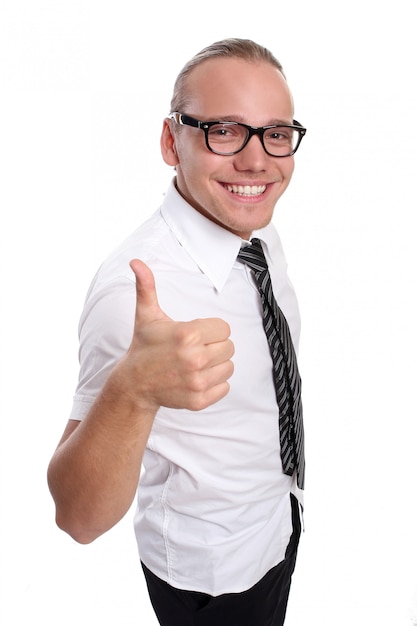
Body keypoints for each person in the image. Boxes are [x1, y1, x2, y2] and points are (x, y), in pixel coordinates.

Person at [47, 38, 307, 626]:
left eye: (277, 133)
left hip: (278, 516)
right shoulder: (134, 292)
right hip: (210, 576)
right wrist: (132, 391)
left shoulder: (253, 227)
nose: (257, 160)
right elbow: (77, 517)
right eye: (224, 130)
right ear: (172, 141)